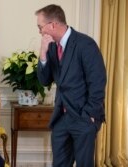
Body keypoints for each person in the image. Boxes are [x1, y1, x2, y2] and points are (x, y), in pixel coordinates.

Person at [35, 4, 106, 167]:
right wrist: (43, 54)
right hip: (61, 118)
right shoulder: (52, 47)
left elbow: (97, 81)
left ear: (53, 25)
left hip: (84, 117)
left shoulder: (85, 44)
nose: (40, 32)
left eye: (40, 27)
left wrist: (90, 115)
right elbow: (44, 81)